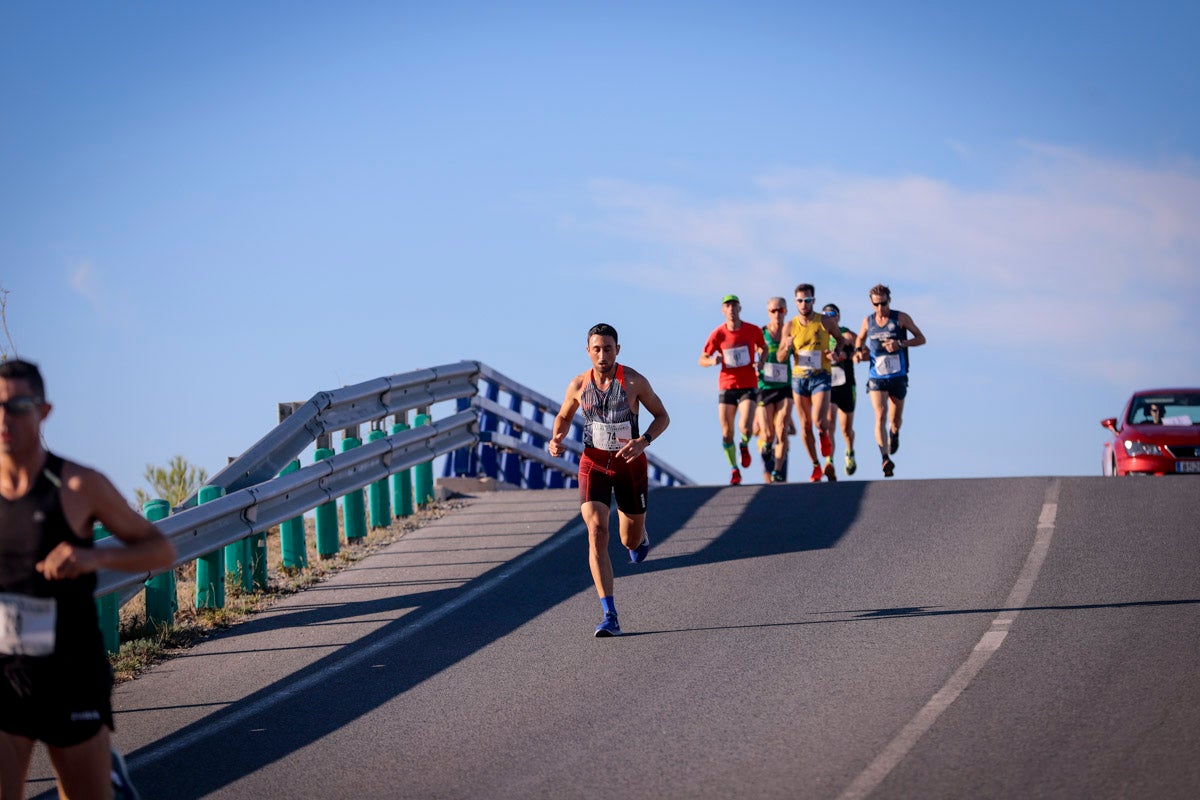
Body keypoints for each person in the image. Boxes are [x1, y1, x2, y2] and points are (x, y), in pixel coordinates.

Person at [1, 358, 176, 800]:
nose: (5, 417)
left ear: (44, 412)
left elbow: (160, 549)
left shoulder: (78, 485)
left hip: (70, 671)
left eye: (19, 404)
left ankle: (109, 779)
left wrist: (89, 556)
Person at [549, 324, 670, 638]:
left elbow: (662, 416)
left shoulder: (633, 381)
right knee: (596, 530)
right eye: (597, 349)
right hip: (594, 463)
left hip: (629, 464)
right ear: (588, 350)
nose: (602, 355)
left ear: (618, 350)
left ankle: (640, 537)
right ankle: (609, 614)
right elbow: (564, 415)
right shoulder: (578, 384)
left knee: (628, 541)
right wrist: (557, 436)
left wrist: (643, 441)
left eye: (608, 348)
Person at [853, 284, 927, 477]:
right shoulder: (868, 321)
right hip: (876, 377)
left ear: (889, 300)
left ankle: (894, 434)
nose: (880, 308)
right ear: (871, 303)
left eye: (883, 304)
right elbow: (859, 340)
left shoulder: (901, 318)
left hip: (898, 376)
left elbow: (921, 338)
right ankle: (885, 458)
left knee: (894, 420)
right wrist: (859, 353)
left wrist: (900, 343)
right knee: (880, 415)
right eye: (876, 304)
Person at [699, 295, 767, 485]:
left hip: (748, 384)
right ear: (723, 310)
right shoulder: (718, 334)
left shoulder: (752, 330)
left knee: (745, 426)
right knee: (726, 432)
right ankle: (734, 469)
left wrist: (761, 361)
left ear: (740, 308)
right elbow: (702, 358)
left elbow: (764, 348)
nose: (731, 309)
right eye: (727, 306)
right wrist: (712, 361)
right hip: (727, 385)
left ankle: (744, 444)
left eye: (734, 305)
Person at [777, 284, 842, 483]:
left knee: (819, 422)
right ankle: (815, 465)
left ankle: (823, 435)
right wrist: (786, 347)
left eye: (807, 300)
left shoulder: (825, 321)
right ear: (795, 302)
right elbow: (780, 358)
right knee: (805, 426)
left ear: (813, 301)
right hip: (799, 379)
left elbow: (840, 340)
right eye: (800, 301)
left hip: (821, 375)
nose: (804, 304)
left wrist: (836, 353)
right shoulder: (789, 326)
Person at [756, 297, 793, 483]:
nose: (777, 314)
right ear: (768, 312)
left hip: (785, 387)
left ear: (785, 311)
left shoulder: (791, 331)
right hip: (765, 387)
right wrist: (758, 364)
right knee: (768, 433)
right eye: (773, 311)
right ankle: (767, 445)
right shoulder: (761, 333)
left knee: (782, 429)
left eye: (780, 310)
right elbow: (754, 354)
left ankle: (777, 470)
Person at [822, 303, 860, 476]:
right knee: (829, 421)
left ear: (838, 317)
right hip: (828, 384)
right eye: (826, 315)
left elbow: (864, 350)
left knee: (846, 429)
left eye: (833, 314)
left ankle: (850, 451)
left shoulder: (847, 334)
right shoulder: (819, 336)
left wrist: (853, 355)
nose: (830, 317)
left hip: (846, 385)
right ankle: (829, 461)